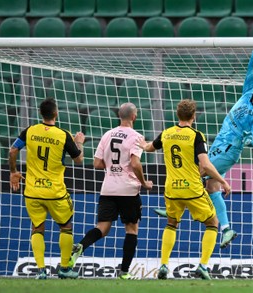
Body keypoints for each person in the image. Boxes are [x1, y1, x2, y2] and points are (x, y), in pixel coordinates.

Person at [154, 26, 253, 249]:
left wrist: (252, 138)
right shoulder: (248, 94)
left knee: (198, 171)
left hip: (229, 150)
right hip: (220, 144)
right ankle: (227, 229)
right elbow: (252, 70)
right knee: (212, 187)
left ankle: (176, 205)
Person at [138, 99, 231, 280]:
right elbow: (205, 165)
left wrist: (142, 144)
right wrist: (223, 181)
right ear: (194, 116)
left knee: (171, 223)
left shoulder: (166, 133)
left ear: (177, 115)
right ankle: (203, 266)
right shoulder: (196, 136)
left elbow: (149, 148)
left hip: (171, 190)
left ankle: (164, 265)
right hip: (192, 189)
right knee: (213, 223)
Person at [68, 102, 153, 280]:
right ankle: (124, 272)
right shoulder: (137, 136)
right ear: (134, 117)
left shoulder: (108, 134)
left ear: (119, 116)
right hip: (128, 190)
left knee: (102, 228)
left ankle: (81, 246)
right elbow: (136, 163)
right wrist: (144, 182)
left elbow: (97, 163)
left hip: (108, 188)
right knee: (131, 230)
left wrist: (114, 166)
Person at [9, 97, 85, 279]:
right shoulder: (63, 134)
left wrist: (13, 171)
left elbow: (13, 150)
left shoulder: (30, 131)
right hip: (55, 192)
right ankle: (65, 269)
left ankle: (41, 270)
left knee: (37, 228)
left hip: (32, 191)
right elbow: (79, 159)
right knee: (66, 227)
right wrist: (79, 141)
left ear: (40, 113)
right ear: (56, 113)